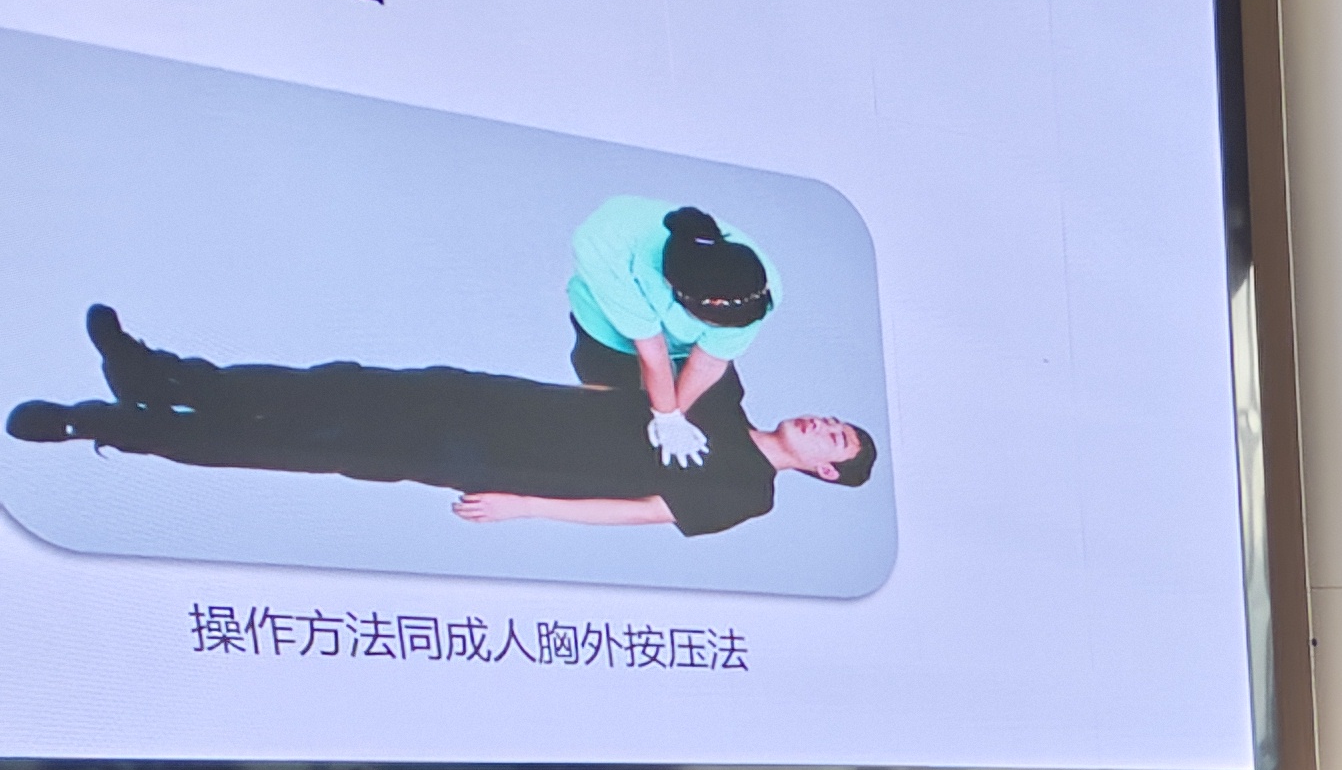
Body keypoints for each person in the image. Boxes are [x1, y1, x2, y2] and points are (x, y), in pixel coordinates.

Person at [10, 305, 872, 535]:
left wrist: (524, 505)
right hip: (492, 399)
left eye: (835, 438)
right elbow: (612, 368)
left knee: (296, 443)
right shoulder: (723, 390)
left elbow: (642, 510)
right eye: (834, 417)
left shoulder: (749, 492)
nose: (823, 424)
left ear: (824, 470)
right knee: (324, 387)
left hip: (489, 452)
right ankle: (151, 373)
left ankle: (101, 423)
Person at [563, 198, 775, 470]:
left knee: (714, 414)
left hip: (686, 349)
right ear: (671, 289)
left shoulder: (759, 281)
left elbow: (709, 362)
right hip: (608, 336)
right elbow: (652, 351)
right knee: (625, 416)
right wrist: (665, 417)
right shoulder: (605, 245)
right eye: (712, 322)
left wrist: (675, 417)